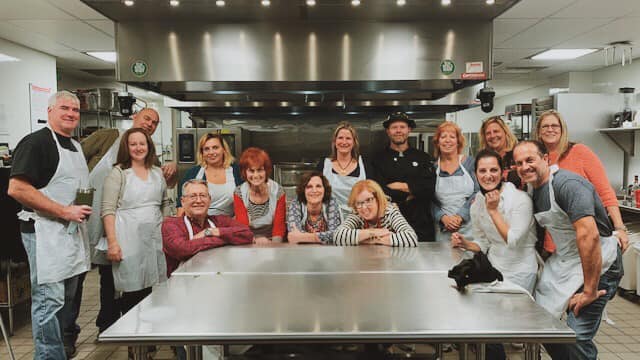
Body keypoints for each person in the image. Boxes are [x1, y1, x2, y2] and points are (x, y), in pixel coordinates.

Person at [513, 140, 622, 360]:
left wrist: (590, 291)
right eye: (519, 163)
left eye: (530, 160)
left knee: (577, 336)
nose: (525, 166)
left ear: (545, 159)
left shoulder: (567, 184)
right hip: (566, 261)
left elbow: (588, 236)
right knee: (543, 325)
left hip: (600, 263)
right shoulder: (534, 189)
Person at [8, 91, 92, 359]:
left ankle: (57, 352)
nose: (70, 114)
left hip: (69, 233)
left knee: (66, 300)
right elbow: (17, 188)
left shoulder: (75, 146)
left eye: (75, 110)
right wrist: (63, 211)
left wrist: (81, 206)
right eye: (64, 108)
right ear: (50, 111)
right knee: (48, 302)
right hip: (44, 233)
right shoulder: (36, 143)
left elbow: (75, 185)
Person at [82, 107, 177, 335]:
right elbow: (106, 206)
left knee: (146, 284)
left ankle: (140, 329)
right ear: (135, 117)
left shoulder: (154, 168)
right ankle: (110, 327)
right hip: (115, 229)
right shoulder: (110, 144)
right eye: (147, 118)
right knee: (114, 282)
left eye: (154, 123)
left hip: (149, 237)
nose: (150, 124)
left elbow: (163, 200)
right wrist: (113, 240)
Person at [534, 109, 629, 253]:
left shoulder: (579, 152)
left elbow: (605, 192)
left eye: (555, 126)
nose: (550, 129)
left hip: (583, 240)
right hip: (551, 243)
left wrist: (619, 227)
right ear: (539, 132)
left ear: (562, 130)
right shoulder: (537, 160)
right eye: (545, 126)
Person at [101, 128, 172, 317]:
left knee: (154, 285)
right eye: (133, 144)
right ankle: (134, 339)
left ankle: (151, 336)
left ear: (149, 146)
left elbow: (164, 203)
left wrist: (166, 230)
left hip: (155, 236)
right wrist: (112, 242)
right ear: (126, 147)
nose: (138, 148)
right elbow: (108, 210)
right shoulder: (118, 173)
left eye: (142, 143)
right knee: (133, 289)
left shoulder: (157, 172)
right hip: (127, 237)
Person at [450, 149, 538, 294]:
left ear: (502, 172)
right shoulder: (477, 203)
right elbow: (483, 242)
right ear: (476, 174)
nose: (488, 175)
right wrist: (465, 244)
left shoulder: (520, 200)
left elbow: (513, 240)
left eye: (493, 170)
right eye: (482, 171)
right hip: (493, 270)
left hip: (520, 271)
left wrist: (493, 211)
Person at [163, 179, 253, 276]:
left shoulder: (219, 221)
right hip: (183, 285)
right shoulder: (171, 225)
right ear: (183, 201)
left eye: (203, 195)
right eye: (193, 196)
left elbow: (247, 234)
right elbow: (183, 249)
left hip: (216, 279)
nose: (198, 200)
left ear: (209, 200)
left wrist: (210, 232)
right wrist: (227, 239)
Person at [370, 112, 436, 241]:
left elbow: (429, 188)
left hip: (420, 225)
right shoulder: (377, 159)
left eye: (402, 127)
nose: (398, 131)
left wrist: (401, 186)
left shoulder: (423, 157)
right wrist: (412, 192)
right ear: (388, 131)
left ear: (409, 130)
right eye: (394, 127)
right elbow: (377, 189)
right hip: (388, 226)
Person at [432, 122, 479, 242]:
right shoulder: (432, 168)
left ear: (458, 142)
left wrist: (460, 216)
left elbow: (478, 193)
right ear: (438, 142)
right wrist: (443, 218)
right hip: (443, 229)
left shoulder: (470, 163)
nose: (447, 140)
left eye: (452, 137)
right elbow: (429, 199)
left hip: (470, 227)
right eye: (443, 137)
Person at [334, 179, 417, 247]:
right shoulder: (357, 213)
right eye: (359, 203)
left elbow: (411, 237)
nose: (364, 207)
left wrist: (364, 239)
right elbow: (338, 236)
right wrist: (374, 233)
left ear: (378, 199)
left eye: (368, 200)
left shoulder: (390, 211)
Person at [177, 133, 242, 217]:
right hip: (198, 225)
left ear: (224, 150)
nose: (211, 152)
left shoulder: (237, 172)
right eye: (206, 149)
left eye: (215, 147)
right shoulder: (192, 173)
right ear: (202, 153)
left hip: (228, 225)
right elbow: (181, 208)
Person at [316, 122, 370, 219]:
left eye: (348, 138)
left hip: (359, 220)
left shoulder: (365, 165)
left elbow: (374, 193)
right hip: (329, 220)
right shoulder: (324, 165)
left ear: (354, 142)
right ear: (334, 141)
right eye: (340, 138)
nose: (344, 142)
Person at [233, 147, 287, 243]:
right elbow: (243, 228)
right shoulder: (239, 193)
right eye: (251, 171)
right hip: (247, 241)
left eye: (260, 170)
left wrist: (274, 248)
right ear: (245, 172)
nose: (256, 175)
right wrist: (255, 241)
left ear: (266, 171)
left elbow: (279, 228)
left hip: (273, 241)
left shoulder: (278, 191)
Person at [286, 171, 341, 244]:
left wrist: (304, 237)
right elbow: (293, 235)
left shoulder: (331, 203)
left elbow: (336, 235)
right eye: (309, 187)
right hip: (302, 252)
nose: (314, 190)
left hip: (329, 252)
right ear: (303, 190)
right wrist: (324, 237)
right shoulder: (296, 204)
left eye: (318, 186)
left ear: (324, 189)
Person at [479, 116, 521, 188]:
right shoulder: (483, 160)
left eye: (496, 131)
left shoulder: (518, 154)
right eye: (488, 133)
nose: (492, 136)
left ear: (505, 132)